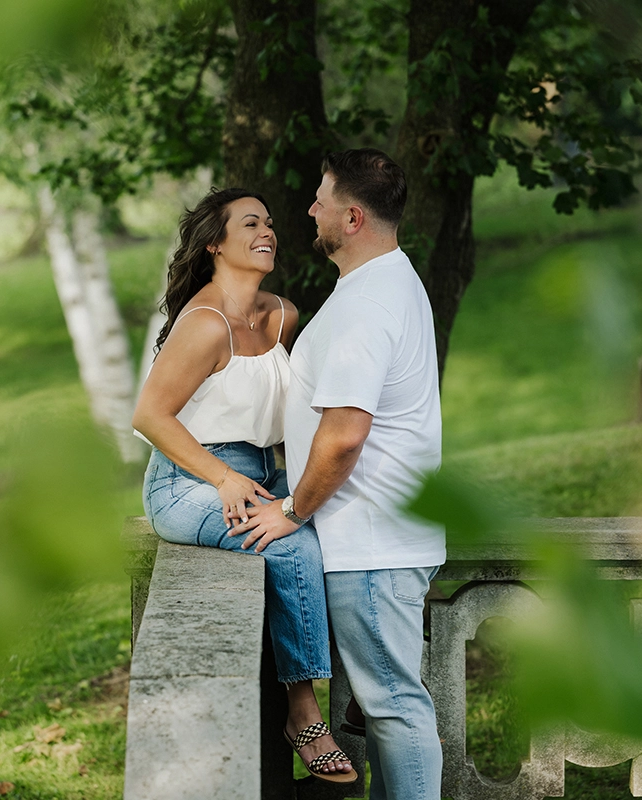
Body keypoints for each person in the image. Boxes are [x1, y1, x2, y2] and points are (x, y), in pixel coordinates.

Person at [229, 149, 446, 800]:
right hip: (376, 540)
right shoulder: (383, 282)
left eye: (321, 199)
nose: (309, 208)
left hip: (372, 546)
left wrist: (293, 510)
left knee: (395, 709)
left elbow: (346, 433)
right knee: (383, 713)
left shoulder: (368, 303)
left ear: (352, 217)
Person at [131, 187, 357, 784]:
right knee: (288, 542)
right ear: (214, 245)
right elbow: (149, 416)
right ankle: (304, 710)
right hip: (188, 482)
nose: (268, 232)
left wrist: (292, 482)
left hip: (261, 470)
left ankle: (366, 688)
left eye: (270, 222)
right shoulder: (204, 324)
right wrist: (225, 477)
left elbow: (284, 415)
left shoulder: (281, 314)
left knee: (343, 519)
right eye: (250, 223)